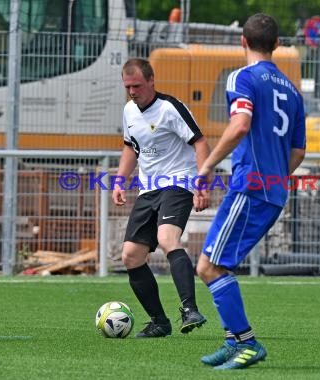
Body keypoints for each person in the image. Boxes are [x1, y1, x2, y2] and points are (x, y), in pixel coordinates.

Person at [194, 14, 306, 369]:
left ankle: (247, 342)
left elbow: (240, 124)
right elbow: (299, 151)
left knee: (208, 267)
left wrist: (207, 165)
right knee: (218, 265)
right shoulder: (292, 91)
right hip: (273, 191)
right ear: (276, 44)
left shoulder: (242, 77)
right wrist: (275, 176)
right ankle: (232, 341)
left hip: (250, 187)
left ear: (242, 42)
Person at [113, 58, 211, 338]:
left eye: (138, 86)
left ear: (152, 80)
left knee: (169, 239)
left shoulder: (170, 108)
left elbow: (200, 142)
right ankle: (159, 322)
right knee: (131, 256)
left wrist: (202, 183)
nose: (132, 91)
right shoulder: (129, 111)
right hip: (148, 189)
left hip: (178, 183)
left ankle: (189, 309)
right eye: (128, 86)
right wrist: (120, 180)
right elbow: (131, 148)